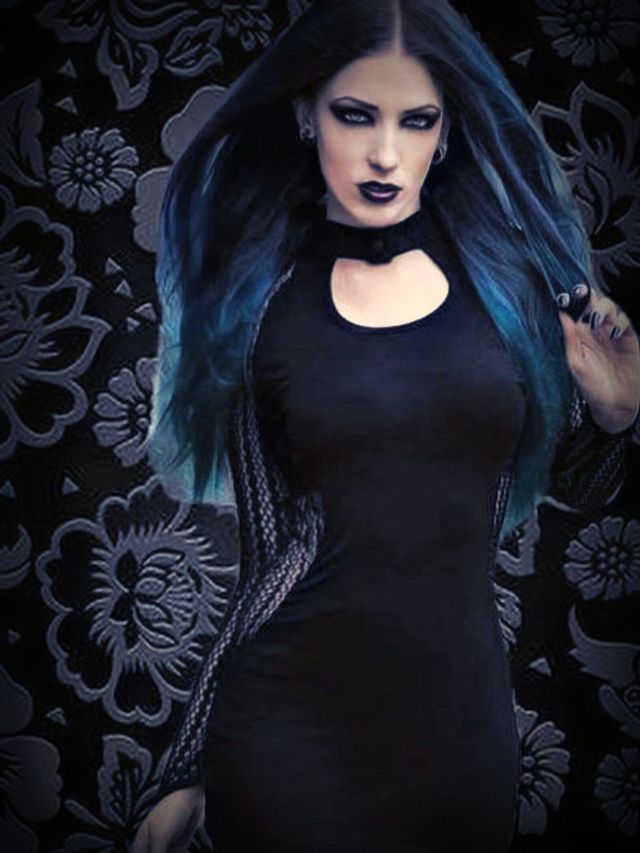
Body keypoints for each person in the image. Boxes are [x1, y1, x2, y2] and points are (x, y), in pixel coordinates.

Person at [132, 1, 640, 851]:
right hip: (287, 735)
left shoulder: (508, 288)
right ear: (305, 113)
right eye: (355, 114)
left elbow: (575, 483)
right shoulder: (260, 307)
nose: (384, 153)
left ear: (446, 133)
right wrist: (184, 766)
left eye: (417, 121)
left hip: (459, 739)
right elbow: (271, 560)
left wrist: (616, 417)